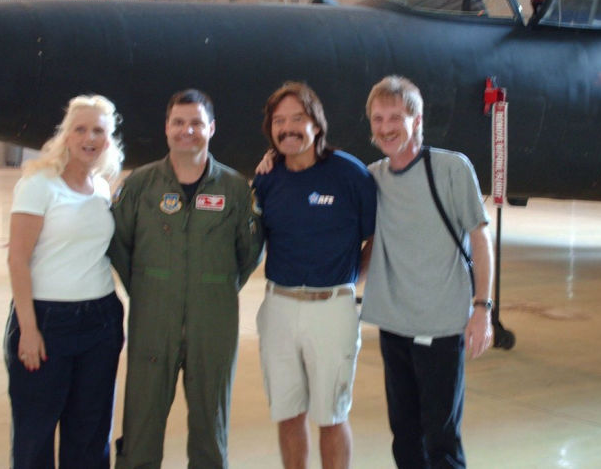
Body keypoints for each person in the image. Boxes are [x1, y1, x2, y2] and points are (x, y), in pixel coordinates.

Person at [108, 88, 263, 468]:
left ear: (211, 128)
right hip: (152, 322)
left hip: (214, 324)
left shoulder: (234, 189)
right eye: (179, 122)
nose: (187, 131)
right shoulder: (140, 185)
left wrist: (212, 286)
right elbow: (119, 244)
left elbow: (249, 253)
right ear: (166, 128)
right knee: (141, 426)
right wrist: (150, 287)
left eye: (196, 123)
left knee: (211, 427)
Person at [361, 75, 494, 468]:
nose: (386, 127)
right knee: (404, 436)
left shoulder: (452, 169)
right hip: (393, 326)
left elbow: (480, 239)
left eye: (395, 117)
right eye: (378, 118)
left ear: (416, 121)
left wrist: (482, 309)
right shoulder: (373, 177)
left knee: (441, 438)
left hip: (439, 328)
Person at [253, 82, 377, 469]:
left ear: (317, 125)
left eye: (297, 119)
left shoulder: (350, 174)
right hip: (279, 307)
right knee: (288, 413)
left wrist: (348, 281)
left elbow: (374, 238)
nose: (288, 128)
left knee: (332, 415)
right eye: (279, 121)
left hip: (331, 310)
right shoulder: (267, 178)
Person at [4, 94, 126, 469]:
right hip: (46, 321)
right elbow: (17, 259)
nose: (89, 138)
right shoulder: (39, 184)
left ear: (109, 140)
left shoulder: (103, 188)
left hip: (100, 320)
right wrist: (28, 329)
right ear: (66, 135)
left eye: (98, 131)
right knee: (35, 434)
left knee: (90, 434)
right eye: (81, 129)